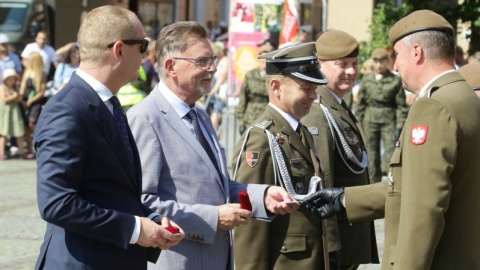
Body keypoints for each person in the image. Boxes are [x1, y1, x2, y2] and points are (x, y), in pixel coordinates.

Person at [304, 10, 480, 270]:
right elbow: (411, 186)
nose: (394, 66)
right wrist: (344, 199)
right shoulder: (464, 96)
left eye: (397, 55)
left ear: (417, 52)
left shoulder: (433, 106)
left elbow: (423, 210)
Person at [126, 21, 298, 270]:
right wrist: (213, 218)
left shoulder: (200, 114)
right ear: (171, 66)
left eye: (213, 60)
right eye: (202, 61)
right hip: (176, 261)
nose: (213, 69)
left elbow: (219, 187)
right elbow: (143, 202)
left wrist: (263, 197)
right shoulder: (145, 118)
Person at [33, 6, 184, 270]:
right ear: (119, 50)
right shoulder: (67, 110)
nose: (146, 55)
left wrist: (151, 220)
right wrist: (136, 228)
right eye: (143, 45)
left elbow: (111, 191)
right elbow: (57, 203)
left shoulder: (107, 105)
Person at [232, 42, 329, 270]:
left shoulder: (300, 131)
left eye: (315, 89)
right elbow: (250, 218)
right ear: (276, 87)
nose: (314, 96)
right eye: (306, 88)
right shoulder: (261, 138)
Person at [301, 30, 379, 270]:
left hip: (351, 231)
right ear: (320, 65)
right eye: (342, 64)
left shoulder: (338, 106)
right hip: (338, 239)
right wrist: (332, 244)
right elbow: (323, 181)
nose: (352, 71)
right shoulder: (318, 110)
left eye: (354, 64)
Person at [356, 48, 408, 183]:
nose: (379, 65)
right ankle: (374, 183)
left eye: (382, 61)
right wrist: (358, 123)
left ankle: (393, 183)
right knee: (371, 155)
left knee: (391, 154)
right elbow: (361, 104)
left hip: (388, 120)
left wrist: (400, 125)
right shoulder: (367, 79)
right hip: (370, 119)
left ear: (388, 62)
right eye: (376, 61)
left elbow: (401, 106)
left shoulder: (395, 81)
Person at [235, 44, 273, 135]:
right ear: (259, 59)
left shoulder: (273, 77)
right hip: (250, 116)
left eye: (267, 57)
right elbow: (243, 98)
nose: (264, 60)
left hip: (267, 115)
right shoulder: (250, 75)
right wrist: (241, 122)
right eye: (262, 57)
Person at [19, 52, 46, 157]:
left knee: (32, 123)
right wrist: (21, 99)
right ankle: (30, 149)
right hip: (25, 101)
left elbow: (41, 92)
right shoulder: (26, 72)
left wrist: (30, 101)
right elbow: (22, 88)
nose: (28, 61)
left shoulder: (42, 74)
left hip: (36, 102)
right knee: (26, 126)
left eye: (29, 59)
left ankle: (38, 146)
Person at [0, 69, 27, 160]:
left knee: (19, 132)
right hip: (5, 113)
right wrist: (14, 96)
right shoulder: (2, 87)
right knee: (3, 133)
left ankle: (22, 152)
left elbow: (18, 99)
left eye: (13, 79)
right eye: (9, 79)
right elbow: (5, 99)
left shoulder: (15, 88)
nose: (11, 81)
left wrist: (16, 97)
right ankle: (2, 153)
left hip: (15, 112)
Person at [206, 41, 228, 134]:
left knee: (215, 117)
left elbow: (223, 76)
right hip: (214, 94)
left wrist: (213, 90)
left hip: (221, 93)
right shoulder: (217, 62)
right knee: (214, 118)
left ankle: (212, 138)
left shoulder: (225, 60)